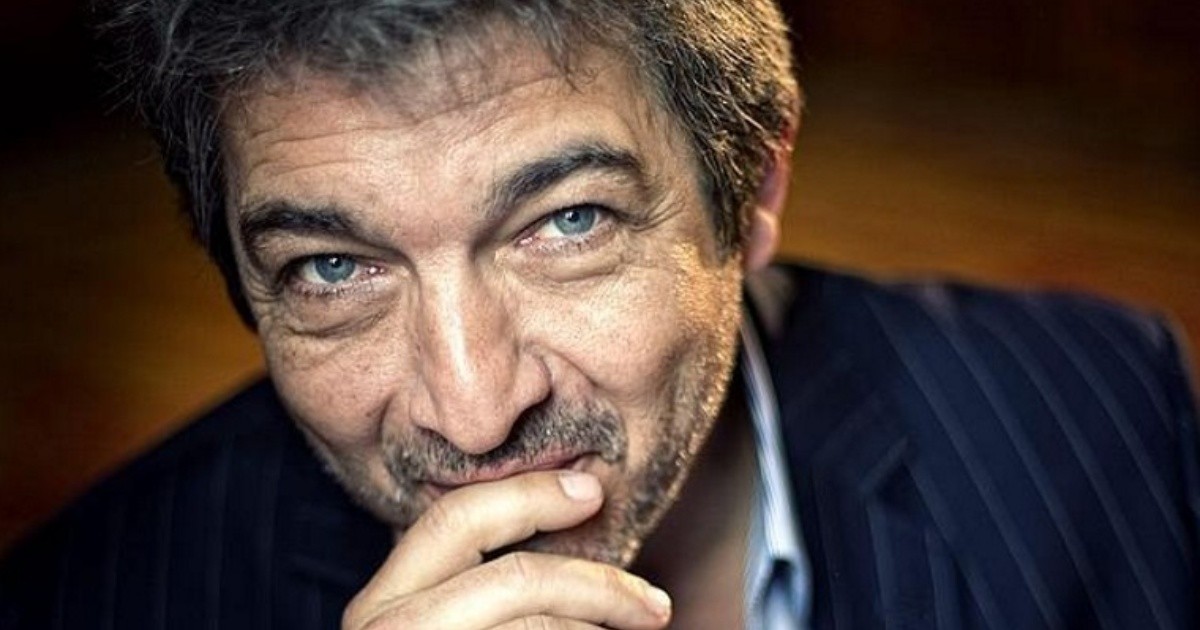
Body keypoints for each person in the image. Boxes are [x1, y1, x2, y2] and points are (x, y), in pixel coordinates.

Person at [3, 0, 1198, 628]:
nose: (473, 414)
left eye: (567, 221)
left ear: (753, 188)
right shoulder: (84, 602)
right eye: (332, 268)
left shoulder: (1102, 409)